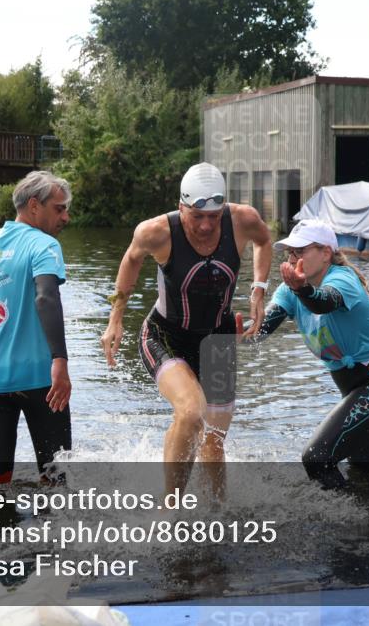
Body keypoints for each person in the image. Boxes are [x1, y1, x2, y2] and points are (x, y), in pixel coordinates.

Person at [100, 163, 272, 495]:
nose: (207, 225)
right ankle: (170, 507)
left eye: (214, 216)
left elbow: (264, 241)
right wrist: (115, 319)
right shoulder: (156, 232)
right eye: (197, 216)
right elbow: (131, 260)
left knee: (214, 441)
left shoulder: (242, 220)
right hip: (166, 336)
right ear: (181, 207)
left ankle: (217, 509)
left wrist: (259, 288)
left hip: (218, 339)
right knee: (191, 411)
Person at [254, 219, 369, 489]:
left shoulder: (342, 279)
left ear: (326, 253)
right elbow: (260, 329)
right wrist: (226, 329)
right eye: (290, 253)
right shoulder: (290, 290)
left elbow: (323, 302)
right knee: (365, 476)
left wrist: (301, 289)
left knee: (317, 458)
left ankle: (347, 522)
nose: (293, 258)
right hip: (357, 393)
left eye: (300, 251)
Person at [0, 171, 73, 491]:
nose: (65, 216)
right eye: (59, 208)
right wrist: (59, 361)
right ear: (34, 206)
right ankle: (51, 540)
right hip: (41, 380)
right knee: (56, 479)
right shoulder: (44, 245)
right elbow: (46, 296)